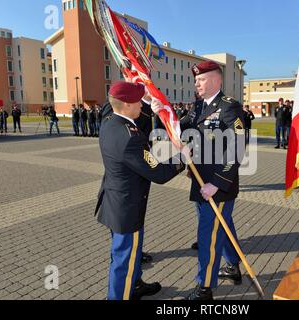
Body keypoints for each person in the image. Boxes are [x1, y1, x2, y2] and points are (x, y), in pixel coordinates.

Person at [153, 61, 246, 300]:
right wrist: (160, 112)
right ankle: (234, 265)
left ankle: (204, 288)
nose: (196, 84)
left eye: (201, 80)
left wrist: (218, 182)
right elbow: (178, 128)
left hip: (217, 186)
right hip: (199, 180)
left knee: (208, 237)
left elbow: (237, 147)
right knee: (223, 226)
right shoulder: (197, 106)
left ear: (216, 80)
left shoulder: (229, 107)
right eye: (195, 80)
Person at [95, 81, 186, 301]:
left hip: (114, 202)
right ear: (126, 104)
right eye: (138, 101)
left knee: (123, 256)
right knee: (124, 261)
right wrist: (182, 158)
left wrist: (149, 104)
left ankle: (134, 285)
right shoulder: (130, 138)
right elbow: (159, 173)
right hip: (127, 209)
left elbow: (120, 104)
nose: (141, 104)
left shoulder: (109, 121)